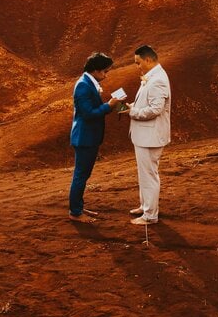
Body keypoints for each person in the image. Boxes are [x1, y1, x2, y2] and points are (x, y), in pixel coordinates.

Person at [69, 52, 123, 222]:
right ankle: (75, 212)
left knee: (83, 175)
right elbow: (88, 114)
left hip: (88, 137)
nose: (106, 76)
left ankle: (78, 207)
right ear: (95, 70)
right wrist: (109, 105)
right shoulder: (83, 85)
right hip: (85, 137)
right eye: (104, 72)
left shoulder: (87, 83)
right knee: (80, 175)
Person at [127, 45, 171, 225]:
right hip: (146, 136)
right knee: (144, 174)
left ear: (148, 60)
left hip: (150, 137)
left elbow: (155, 109)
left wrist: (132, 112)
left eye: (138, 63)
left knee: (149, 175)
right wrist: (133, 108)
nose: (138, 67)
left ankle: (150, 215)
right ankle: (145, 205)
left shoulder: (157, 79)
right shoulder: (153, 77)